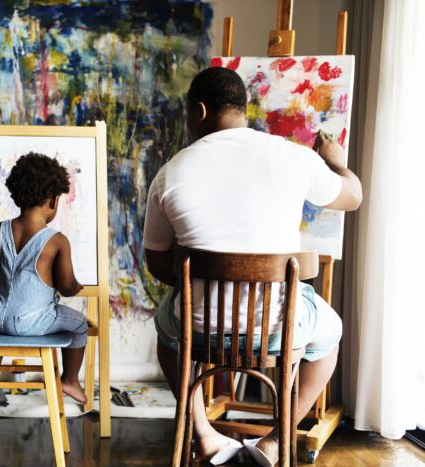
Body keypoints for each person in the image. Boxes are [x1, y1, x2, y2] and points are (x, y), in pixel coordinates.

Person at [143, 67, 362, 465]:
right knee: (330, 336)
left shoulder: (170, 172)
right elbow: (353, 197)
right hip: (279, 333)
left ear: (200, 111)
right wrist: (337, 163)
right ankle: (278, 439)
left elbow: (156, 262)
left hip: (200, 331)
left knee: (165, 331)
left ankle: (204, 435)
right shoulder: (294, 157)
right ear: (243, 110)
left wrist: (198, 285)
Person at [0, 152, 89, 405]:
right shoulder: (57, 241)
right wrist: (74, 286)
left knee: (0, 332)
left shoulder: (0, 228)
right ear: (53, 199)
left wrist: (3, 273)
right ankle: (69, 379)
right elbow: (67, 288)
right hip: (28, 322)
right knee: (81, 325)